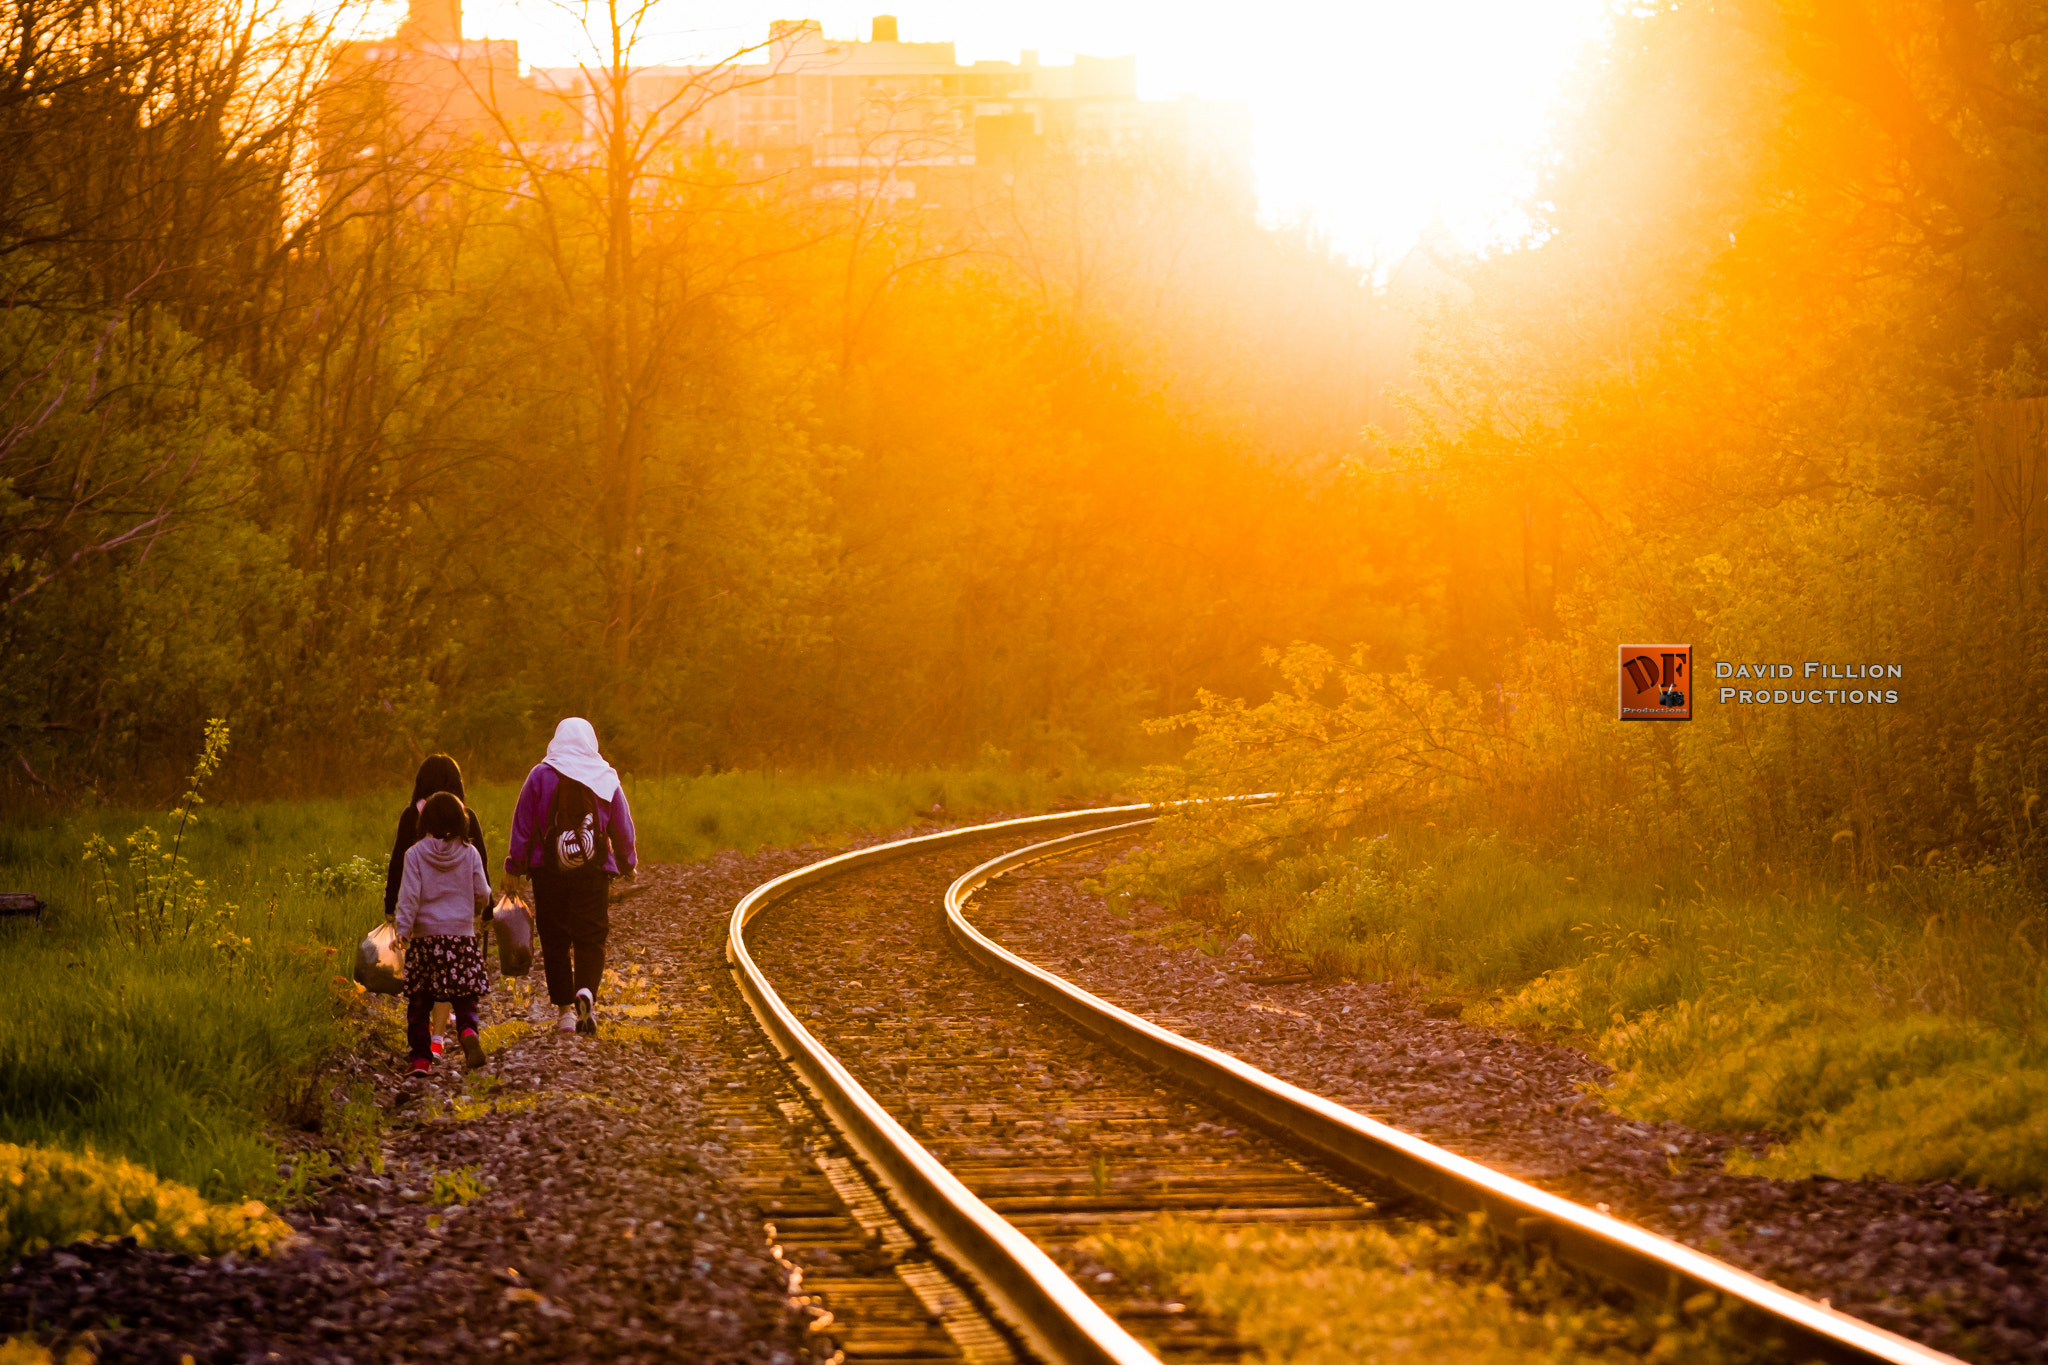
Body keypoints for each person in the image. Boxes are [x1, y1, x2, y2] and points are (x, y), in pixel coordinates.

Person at [503, 718, 636, 1037]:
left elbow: (522, 824)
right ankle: (586, 992)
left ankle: (564, 1014)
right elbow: (621, 824)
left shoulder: (539, 775)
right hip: (593, 872)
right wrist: (626, 861)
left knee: (555, 940)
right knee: (591, 936)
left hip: (547, 871)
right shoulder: (605, 777)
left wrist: (514, 867)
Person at [383, 754, 490, 1056]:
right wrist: (483, 909)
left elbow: (407, 887)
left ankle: (421, 1056)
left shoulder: (414, 840)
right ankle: (467, 1029)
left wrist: (400, 923)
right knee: (464, 992)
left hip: (424, 935)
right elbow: (481, 874)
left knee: (420, 998)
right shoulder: (465, 824)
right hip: (460, 933)